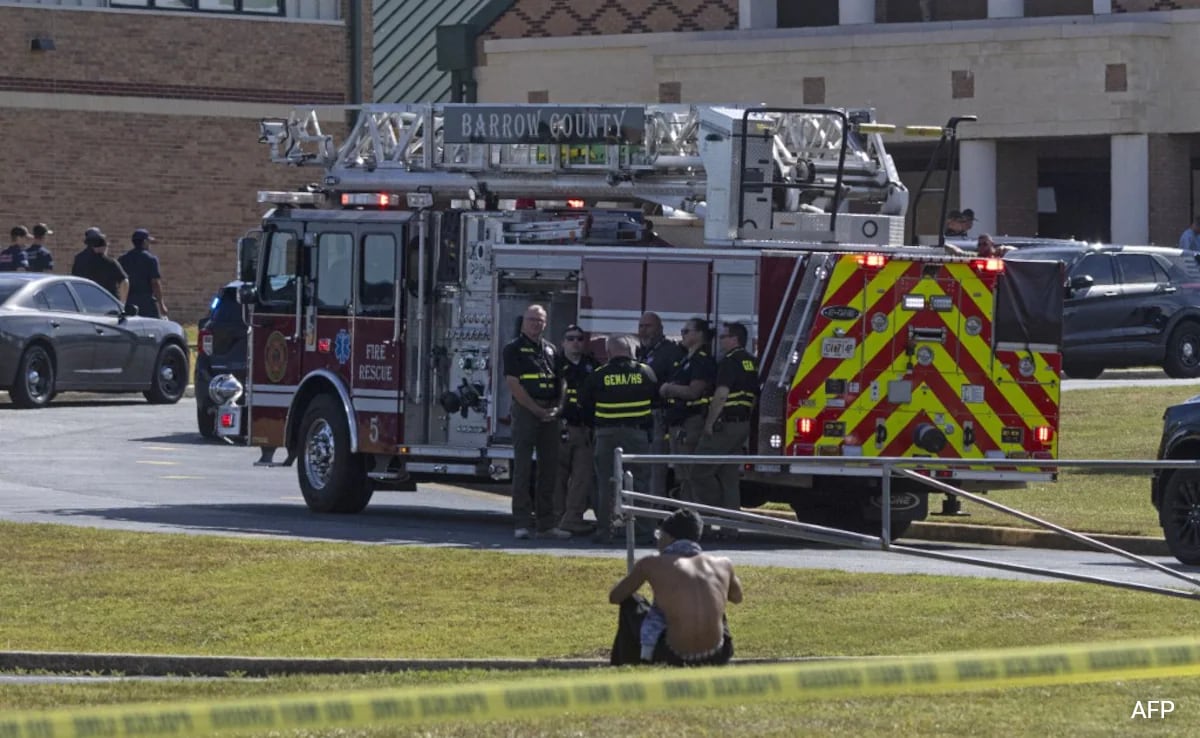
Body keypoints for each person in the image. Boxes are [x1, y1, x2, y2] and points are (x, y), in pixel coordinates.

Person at [608, 508, 742, 667]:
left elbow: (615, 596)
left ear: (668, 537)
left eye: (660, 535)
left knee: (630, 600)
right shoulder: (723, 564)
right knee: (714, 599)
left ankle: (628, 663)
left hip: (673, 654)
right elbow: (737, 598)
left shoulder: (651, 563)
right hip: (718, 653)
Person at [580, 334, 658, 544]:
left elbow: (585, 405)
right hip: (637, 434)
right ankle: (643, 532)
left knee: (606, 482)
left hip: (606, 435)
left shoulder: (598, 375)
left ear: (609, 352)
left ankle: (605, 530)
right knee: (641, 482)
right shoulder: (645, 372)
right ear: (631, 351)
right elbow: (656, 401)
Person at [502, 304, 571, 541]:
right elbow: (513, 384)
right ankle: (521, 523)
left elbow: (562, 381)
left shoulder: (551, 350)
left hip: (550, 412)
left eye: (540, 320)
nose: (536, 324)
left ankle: (546, 524)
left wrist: (558, 407)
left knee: (549, 468)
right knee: (522, 468)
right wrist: (535, 409)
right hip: (526, 412)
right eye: (532, 320)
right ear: (524, 322)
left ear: (545, 323)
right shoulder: (513, 349)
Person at [693, 322, 760, 525]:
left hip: (726, 424)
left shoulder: (729, 361)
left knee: (698, 470)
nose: (720, 340)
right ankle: (731, 526)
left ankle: (715, 512)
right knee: (728, 476)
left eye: (724, 337)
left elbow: (721, 395)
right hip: (742, 424)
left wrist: (709, 424)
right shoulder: (751, 361)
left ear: (734, 339)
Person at [661, 318, 716, 503]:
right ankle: (687, 517)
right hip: (679, 422)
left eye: (686, 331)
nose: (682, 334)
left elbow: (694, 391)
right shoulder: (687, 359)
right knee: (682, 475)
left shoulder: (701, 360)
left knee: (690, 474)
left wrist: (669, 388)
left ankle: (696, 519)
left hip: (691, 422)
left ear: (699, 334)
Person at [554, 324, 598, 535]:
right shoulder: (553, 365)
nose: (575, 342)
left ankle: (572, 518)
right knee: (556, 477)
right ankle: (555, 517)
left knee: (582, 477)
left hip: (584, 430)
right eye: (570, 338)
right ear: (562, 343)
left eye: (579, 338)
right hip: (559, 427)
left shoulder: (592, 366)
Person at [636, 311, 685, 499]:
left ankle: (655, 509)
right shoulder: (644, 351)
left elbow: (675, 384)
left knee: (656, 467)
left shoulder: (670, 351)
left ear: (660, 329)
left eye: (648, 326)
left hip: (660, 415)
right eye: (641, 326)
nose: (643, 330)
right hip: (643, 416)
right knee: (644, 465)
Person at [118, 228, 168, 319]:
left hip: (128, 300)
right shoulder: (151, 259)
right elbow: (155, 283)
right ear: (144, 242)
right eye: (148, 241)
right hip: (146, 301)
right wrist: (161, 304)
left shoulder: (123, 259)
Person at [71, 228, 128, 303]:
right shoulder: (109, 262)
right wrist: (122, 303)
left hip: (85, 302)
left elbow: (74, 280)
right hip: (108, 303)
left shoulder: (79, 259)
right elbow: (124, 281)